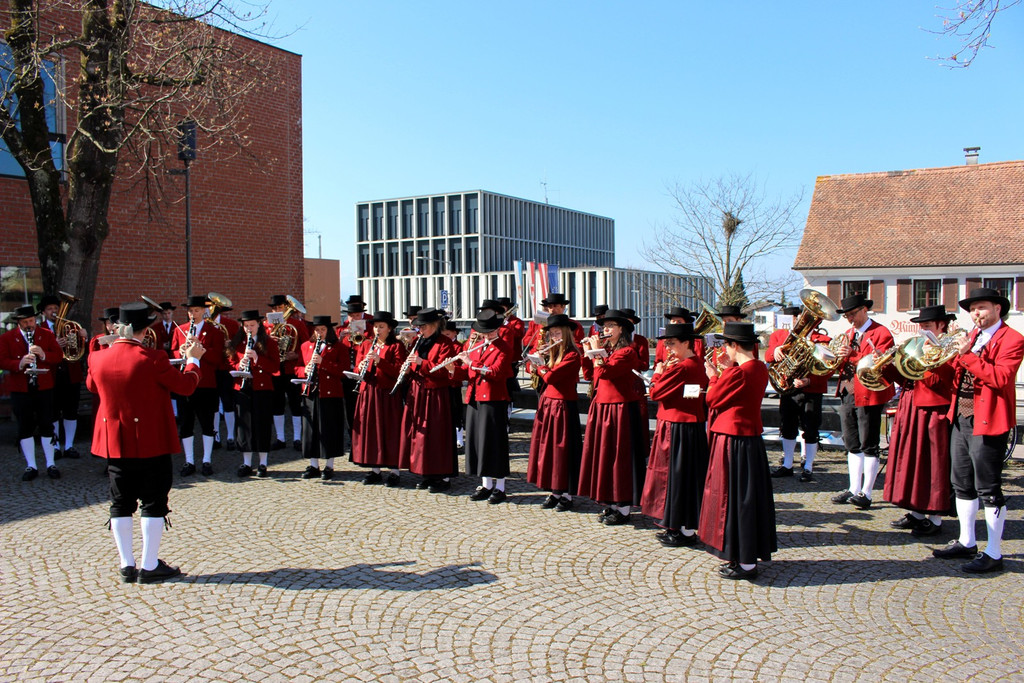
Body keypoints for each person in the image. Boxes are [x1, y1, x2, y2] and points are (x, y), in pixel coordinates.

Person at [86, 302, 206, 584]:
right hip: (151, 439)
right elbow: (186, 385)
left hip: (115, 441)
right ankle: (149, 565)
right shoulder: (151, 358)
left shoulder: (98, 357)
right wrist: (193, 359)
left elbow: (93, 386)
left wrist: (102, 345)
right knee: (153, 500)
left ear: (117, 328)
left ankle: (127, 564)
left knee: (120, 500)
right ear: (145, 329)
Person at [932, 288, 1024, 573]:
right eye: (972, 310)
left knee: (988, 487)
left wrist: (967, 354)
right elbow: (957, 374)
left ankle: (994, 552)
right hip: (960, 415)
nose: (976, 314)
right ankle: (966, 540)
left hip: (989, 419)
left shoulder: (1013, 339)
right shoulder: (971, 337)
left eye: (981, 308)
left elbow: (1000, 377)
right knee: (961, 483)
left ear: (998, 308)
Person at [698, 322, 776, 580]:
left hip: (733, 440)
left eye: (726, 345)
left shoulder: (739, 372)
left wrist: (713, 374)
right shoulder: (759, 368)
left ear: (733, 346)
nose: (724, 351)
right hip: (749, 439)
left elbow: (712, 399)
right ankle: (743, 557)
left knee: (732, 499)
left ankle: (744, 561)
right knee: (745, 499)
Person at [882, 305, 956, 537]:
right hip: (911, 405)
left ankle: (935, 518)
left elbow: (944, 379)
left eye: (927, 325)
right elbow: (905, 377)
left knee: (933, 463)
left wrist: (931, 357)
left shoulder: (950, 346)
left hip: (934, 409)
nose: (923, 329)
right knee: (911, 460)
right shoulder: (918, 344)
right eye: (921, 325)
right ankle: (916, 512)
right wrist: (887, 366)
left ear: (941, 325)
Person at [640, 323, 709, 547]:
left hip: (678, 426)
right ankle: (681, 526)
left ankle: (681, 528)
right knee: (685, 478)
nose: (667, 348)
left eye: (672, 343)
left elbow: (656, 392)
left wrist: (658, 374)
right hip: (689, 425)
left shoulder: (684, 366)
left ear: (687, 343)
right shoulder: (695, 363)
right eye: (666, 343)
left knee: (676, 478)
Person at [577, 309, 648, 525]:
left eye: (609, 326)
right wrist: (587, 352)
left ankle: (623, 507)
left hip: (620, 410)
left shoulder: (628, 352)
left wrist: (596, 351)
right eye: (603, 326)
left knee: (620, 457)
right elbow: (591, 375)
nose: (604, 330)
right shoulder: (607, 350)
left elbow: (607, 371)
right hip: (603, 407)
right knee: (604, 456)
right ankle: (610, 502)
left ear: (621, 330)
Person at [830, 293, 896, 509]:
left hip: (869, 393)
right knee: (851, 442)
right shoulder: (849, 333)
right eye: (847, 316)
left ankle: (866, 492)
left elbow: (879, 363)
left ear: (864, 310)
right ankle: (852, 487)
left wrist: (852, 355)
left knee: (869, 444)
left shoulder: (881, 332)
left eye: (852, 314)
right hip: (848, 391)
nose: (850, 319)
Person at [397, 307, 460, 492]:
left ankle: (441, 476)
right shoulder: (418, 341)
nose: (420, 330)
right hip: (418, 393)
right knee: (419, 435)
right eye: (419, 327)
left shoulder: (444, 343)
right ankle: (425, 472)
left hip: (436, 395)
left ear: (434, 325)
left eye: (423, 327)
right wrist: (407, 370)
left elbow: (443, 370)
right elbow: (414, 365)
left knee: (436, 436)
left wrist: (420, 363)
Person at [766, 305, 831, 483]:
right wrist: (776, 350)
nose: (799, 321)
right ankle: (787, 464)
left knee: (810, 427)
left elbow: (828, 369)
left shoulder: (822, 339)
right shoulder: (779, 336)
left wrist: (810, 381)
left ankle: (808, 466)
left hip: (811, 389)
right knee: (787, 426)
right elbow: (768, 356)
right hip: (788, 387)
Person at [455, 309, 514, 504]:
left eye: (491, 331)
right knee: (479, 443)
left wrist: (471, 363)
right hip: (475, 398)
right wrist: (452, 368)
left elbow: (495, 372)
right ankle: (486, 484)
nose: (487, 334)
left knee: (495, 444)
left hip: (493, 400)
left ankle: (501, 487)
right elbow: (466, 372)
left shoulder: (503, 347)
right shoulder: (477, 345)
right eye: (484, 331)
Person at [526, 314, 583, 511]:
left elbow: (552, 377)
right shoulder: (552, 352)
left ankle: (566, 493)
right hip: (548, 403)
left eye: (558, 332)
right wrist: (535, 364)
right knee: (548, 449)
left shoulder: (572, 355)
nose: (554, 336)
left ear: (566, 334)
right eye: (552, 333)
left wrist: (540, 365)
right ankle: (554, 491)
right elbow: (539, 374)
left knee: (562, 450)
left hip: (562, 406)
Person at [0, 305, 62, 480]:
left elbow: (57, 356)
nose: (30, 325)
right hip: (21, 388)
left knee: (46, 424)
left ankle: (51, 463)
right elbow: (2, 360)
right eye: (26, 322)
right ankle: (31, 466)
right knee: (25, 426)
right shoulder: (7, 338)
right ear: (19, 323)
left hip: (44, 387)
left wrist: (43, 354)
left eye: (32, 321)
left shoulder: (46, 335)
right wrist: (20, 363)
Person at [172, 295, 227, 476]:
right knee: (186, 423)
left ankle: (206, 460)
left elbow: (218, 359)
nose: (192, 314)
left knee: (207, 423)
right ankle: (189, 461)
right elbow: (172, 351)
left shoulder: (215, 332)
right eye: (190, 311)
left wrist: (200, 350)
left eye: (196, 310)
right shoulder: (180, 330)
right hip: (185, 381)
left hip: (206, 383)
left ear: (204, 311)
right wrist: (180, 351)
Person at [351, 311, 407, 486]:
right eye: (375, 326)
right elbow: (357, 369)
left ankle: (394, 471)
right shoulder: (366, 344)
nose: (377, 330)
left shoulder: (396, 346)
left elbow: (399, 371)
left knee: (390, 430)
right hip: (369, 392)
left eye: (381, 327)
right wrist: (360, 367)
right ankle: (374, 469)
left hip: (387, 394)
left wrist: (379, 361)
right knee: (371, 431)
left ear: (389, 329)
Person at [228, 310, 279, 478]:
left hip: (262, 389)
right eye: (246, 326)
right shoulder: (238, 343)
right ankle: (246, 463)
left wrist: (257, 359)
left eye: (252, 325)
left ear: (259, 325)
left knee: (262, 424)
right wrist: (239, 366)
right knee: (244, 425)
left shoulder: (269, 343)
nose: (249, 328)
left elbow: (275, 367)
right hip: (243, 389)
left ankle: (263, 462)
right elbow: (231, 362)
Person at [297, 315, 348, 481]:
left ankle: (329, 466)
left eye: (323, 330)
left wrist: (323, 362)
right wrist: (304, 371)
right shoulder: (306, 346)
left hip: (330, 394)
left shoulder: (338, 347)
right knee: (311, 431)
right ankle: (313, 465)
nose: (319, 333)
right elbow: (297, 366)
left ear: (329, 330)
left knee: (329, 429)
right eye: (317, 330)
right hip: (310, 392)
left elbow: (343, 371)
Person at [37, 294, 87, 459]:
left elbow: (78, 351)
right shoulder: (40, 329)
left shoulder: (70, 327)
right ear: (44, 312)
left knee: (71, 410)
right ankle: (56, 446)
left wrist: (82, 338)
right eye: (50, 309)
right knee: (53, 411)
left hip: (70, 374)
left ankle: (70, 445)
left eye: (56, 308)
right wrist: (55, 345)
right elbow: (38, 351)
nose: (54, 311)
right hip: (52, 375)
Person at [265, 294, 309, 450]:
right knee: (277, 404)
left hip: (292, 368)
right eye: (275, 308)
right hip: (276, 369)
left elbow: (306, 345)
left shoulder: (297, 324)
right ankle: (280, 438)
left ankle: (297, 438)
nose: (277, 310)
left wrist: (296, 355)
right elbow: (261, 348)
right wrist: (268, 340)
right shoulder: (267, 326)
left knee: (295, 403)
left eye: (280, 307)